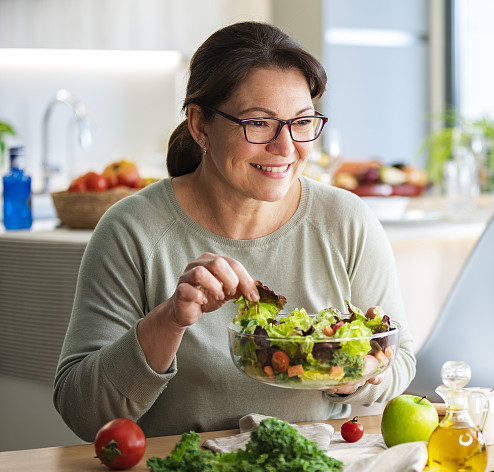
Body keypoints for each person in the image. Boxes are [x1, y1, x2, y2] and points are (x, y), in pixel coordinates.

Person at [53, 21, 415, 442]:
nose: (285, 147)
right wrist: (170, 320)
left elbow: (400, 358)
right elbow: (81, 412)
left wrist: (348, 371)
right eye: (258, 123)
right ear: (200, 125)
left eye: (301, 122)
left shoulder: (346, 221)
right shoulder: (131, 230)